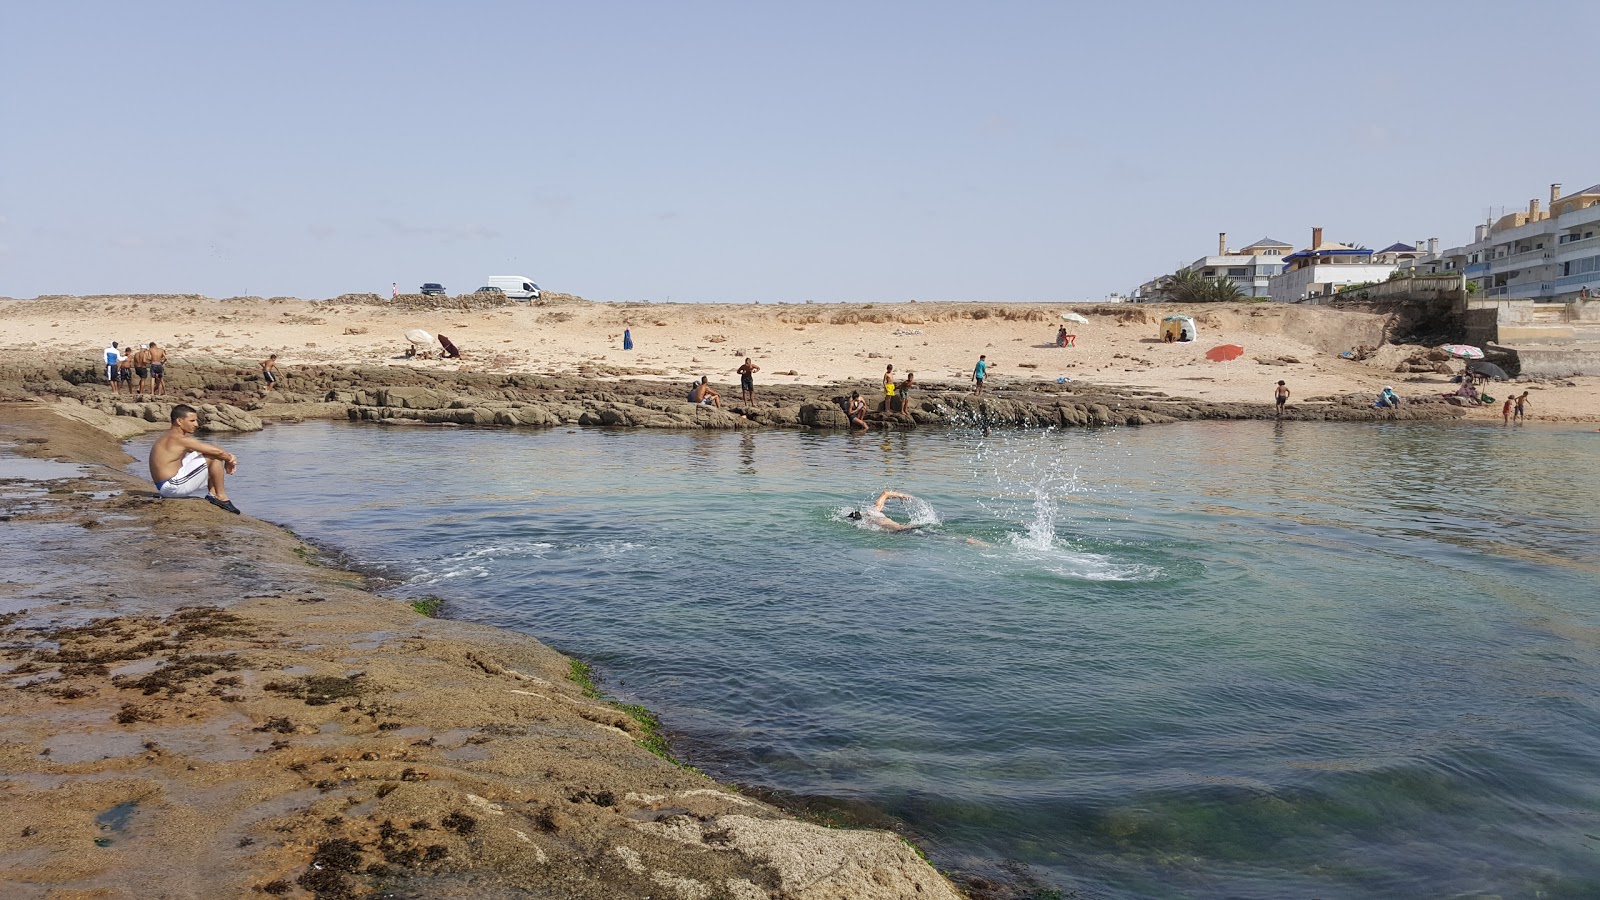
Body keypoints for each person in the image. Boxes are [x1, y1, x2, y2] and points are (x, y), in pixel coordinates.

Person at [148, 404, 240, 514]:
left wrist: (227, 457)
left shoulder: (170, 436)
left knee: (209, 453)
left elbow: (208, 448)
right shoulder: (179, 439)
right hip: (172, 487)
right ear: (179, 421)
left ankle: (213, 493)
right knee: (214, 456)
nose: (196, 424)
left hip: (166, 485)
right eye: (192, 421)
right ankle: (221, 497)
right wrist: (230, 459)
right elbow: (218, 452)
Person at [847, 490, 918, 532]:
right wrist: (902, 496)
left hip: (897, 531)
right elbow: (885, 493)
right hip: (901, 529)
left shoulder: (867, 522)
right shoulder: (873, 510)